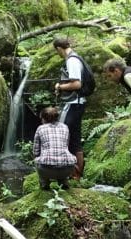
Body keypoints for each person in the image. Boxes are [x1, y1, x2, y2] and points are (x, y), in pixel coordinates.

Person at [53, 37, 87, 180]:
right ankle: (76, 174)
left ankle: (69, 172)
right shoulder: (76, 58)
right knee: (74, 139)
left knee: (63, 136)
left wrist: (60, 86)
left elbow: (76, 84)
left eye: (57, 52)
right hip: (78, 103)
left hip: (74, 104)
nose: (58, 54)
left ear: (59, 48)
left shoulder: (72, 60)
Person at [33, 106, 77, 190]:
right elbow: (66, 145)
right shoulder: (65, 127)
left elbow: (36, 151)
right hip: (67, 169)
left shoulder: (40, 128)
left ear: (44, 118)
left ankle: (44, 183)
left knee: (37, 160)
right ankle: (63, 182)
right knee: (62, 157)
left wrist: (38, 158)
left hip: (46, 170)